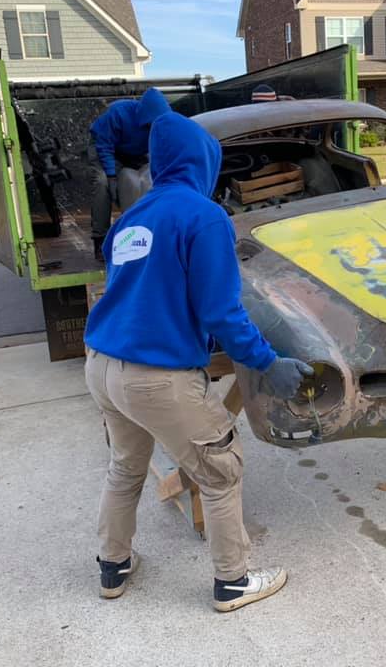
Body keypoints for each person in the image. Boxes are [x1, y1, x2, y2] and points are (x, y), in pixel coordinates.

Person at [83, 108, 313, 611]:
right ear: (204, 160)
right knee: (220, 470)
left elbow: (133, 285)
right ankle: (232, 582)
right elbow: (221, 310)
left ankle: (112, 566)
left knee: (125, 467)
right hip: (155, 377)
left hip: (101, 366)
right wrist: (265, 362)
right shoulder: (204, 215)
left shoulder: (133, 217)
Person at [88, 88, 172, 259]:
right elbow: (104, 146)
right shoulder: (118, 113)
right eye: (149, 125)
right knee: (102, 183)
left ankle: (155, 232)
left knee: (152, 181)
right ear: (144, 117)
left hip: (135, 152)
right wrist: (112, 175)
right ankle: (100, 239)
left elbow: (163, 150)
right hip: (105, 148)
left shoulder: (163, 123)